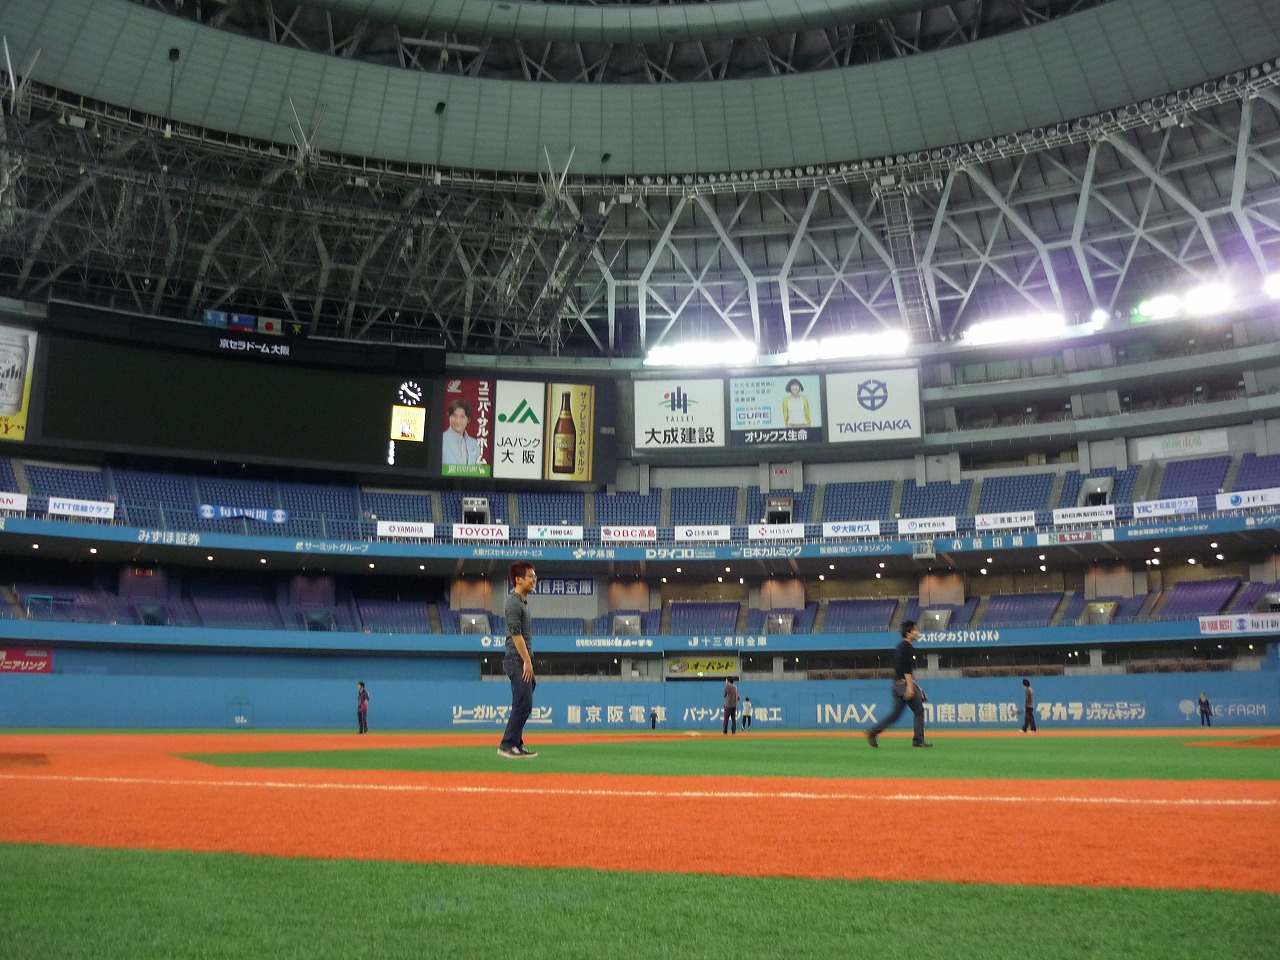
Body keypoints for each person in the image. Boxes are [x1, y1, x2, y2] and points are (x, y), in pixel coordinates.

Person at [866, 620, 931, 748]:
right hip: (904, 684)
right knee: (919, 710)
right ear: (908, 633)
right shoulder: (907, 647)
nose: (917, 632)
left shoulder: (899, 647)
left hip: (896, 684)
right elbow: (906, 668)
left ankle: (873, 732)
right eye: (915, 629)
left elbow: (899, 667)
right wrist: (910, 687)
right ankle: (918, 740)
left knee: (895, 714)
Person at [498, 560, 538, 758]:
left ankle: (516, 743)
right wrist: (526, 661)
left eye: (534, 576)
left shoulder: (522, 602)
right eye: (530, 576)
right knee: (523, 703)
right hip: (517, 658)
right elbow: (516, 634)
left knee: (523, 701)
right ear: (518, 579)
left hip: (520, 658)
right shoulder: (514, 602)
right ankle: (507, 745)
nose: (534, 579)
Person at [441, 397, 482, 465]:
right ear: (449, 417)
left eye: (462, 417)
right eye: (454, 416)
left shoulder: (475, 444)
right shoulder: (441, 439)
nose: (458, 421)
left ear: (468, 420)